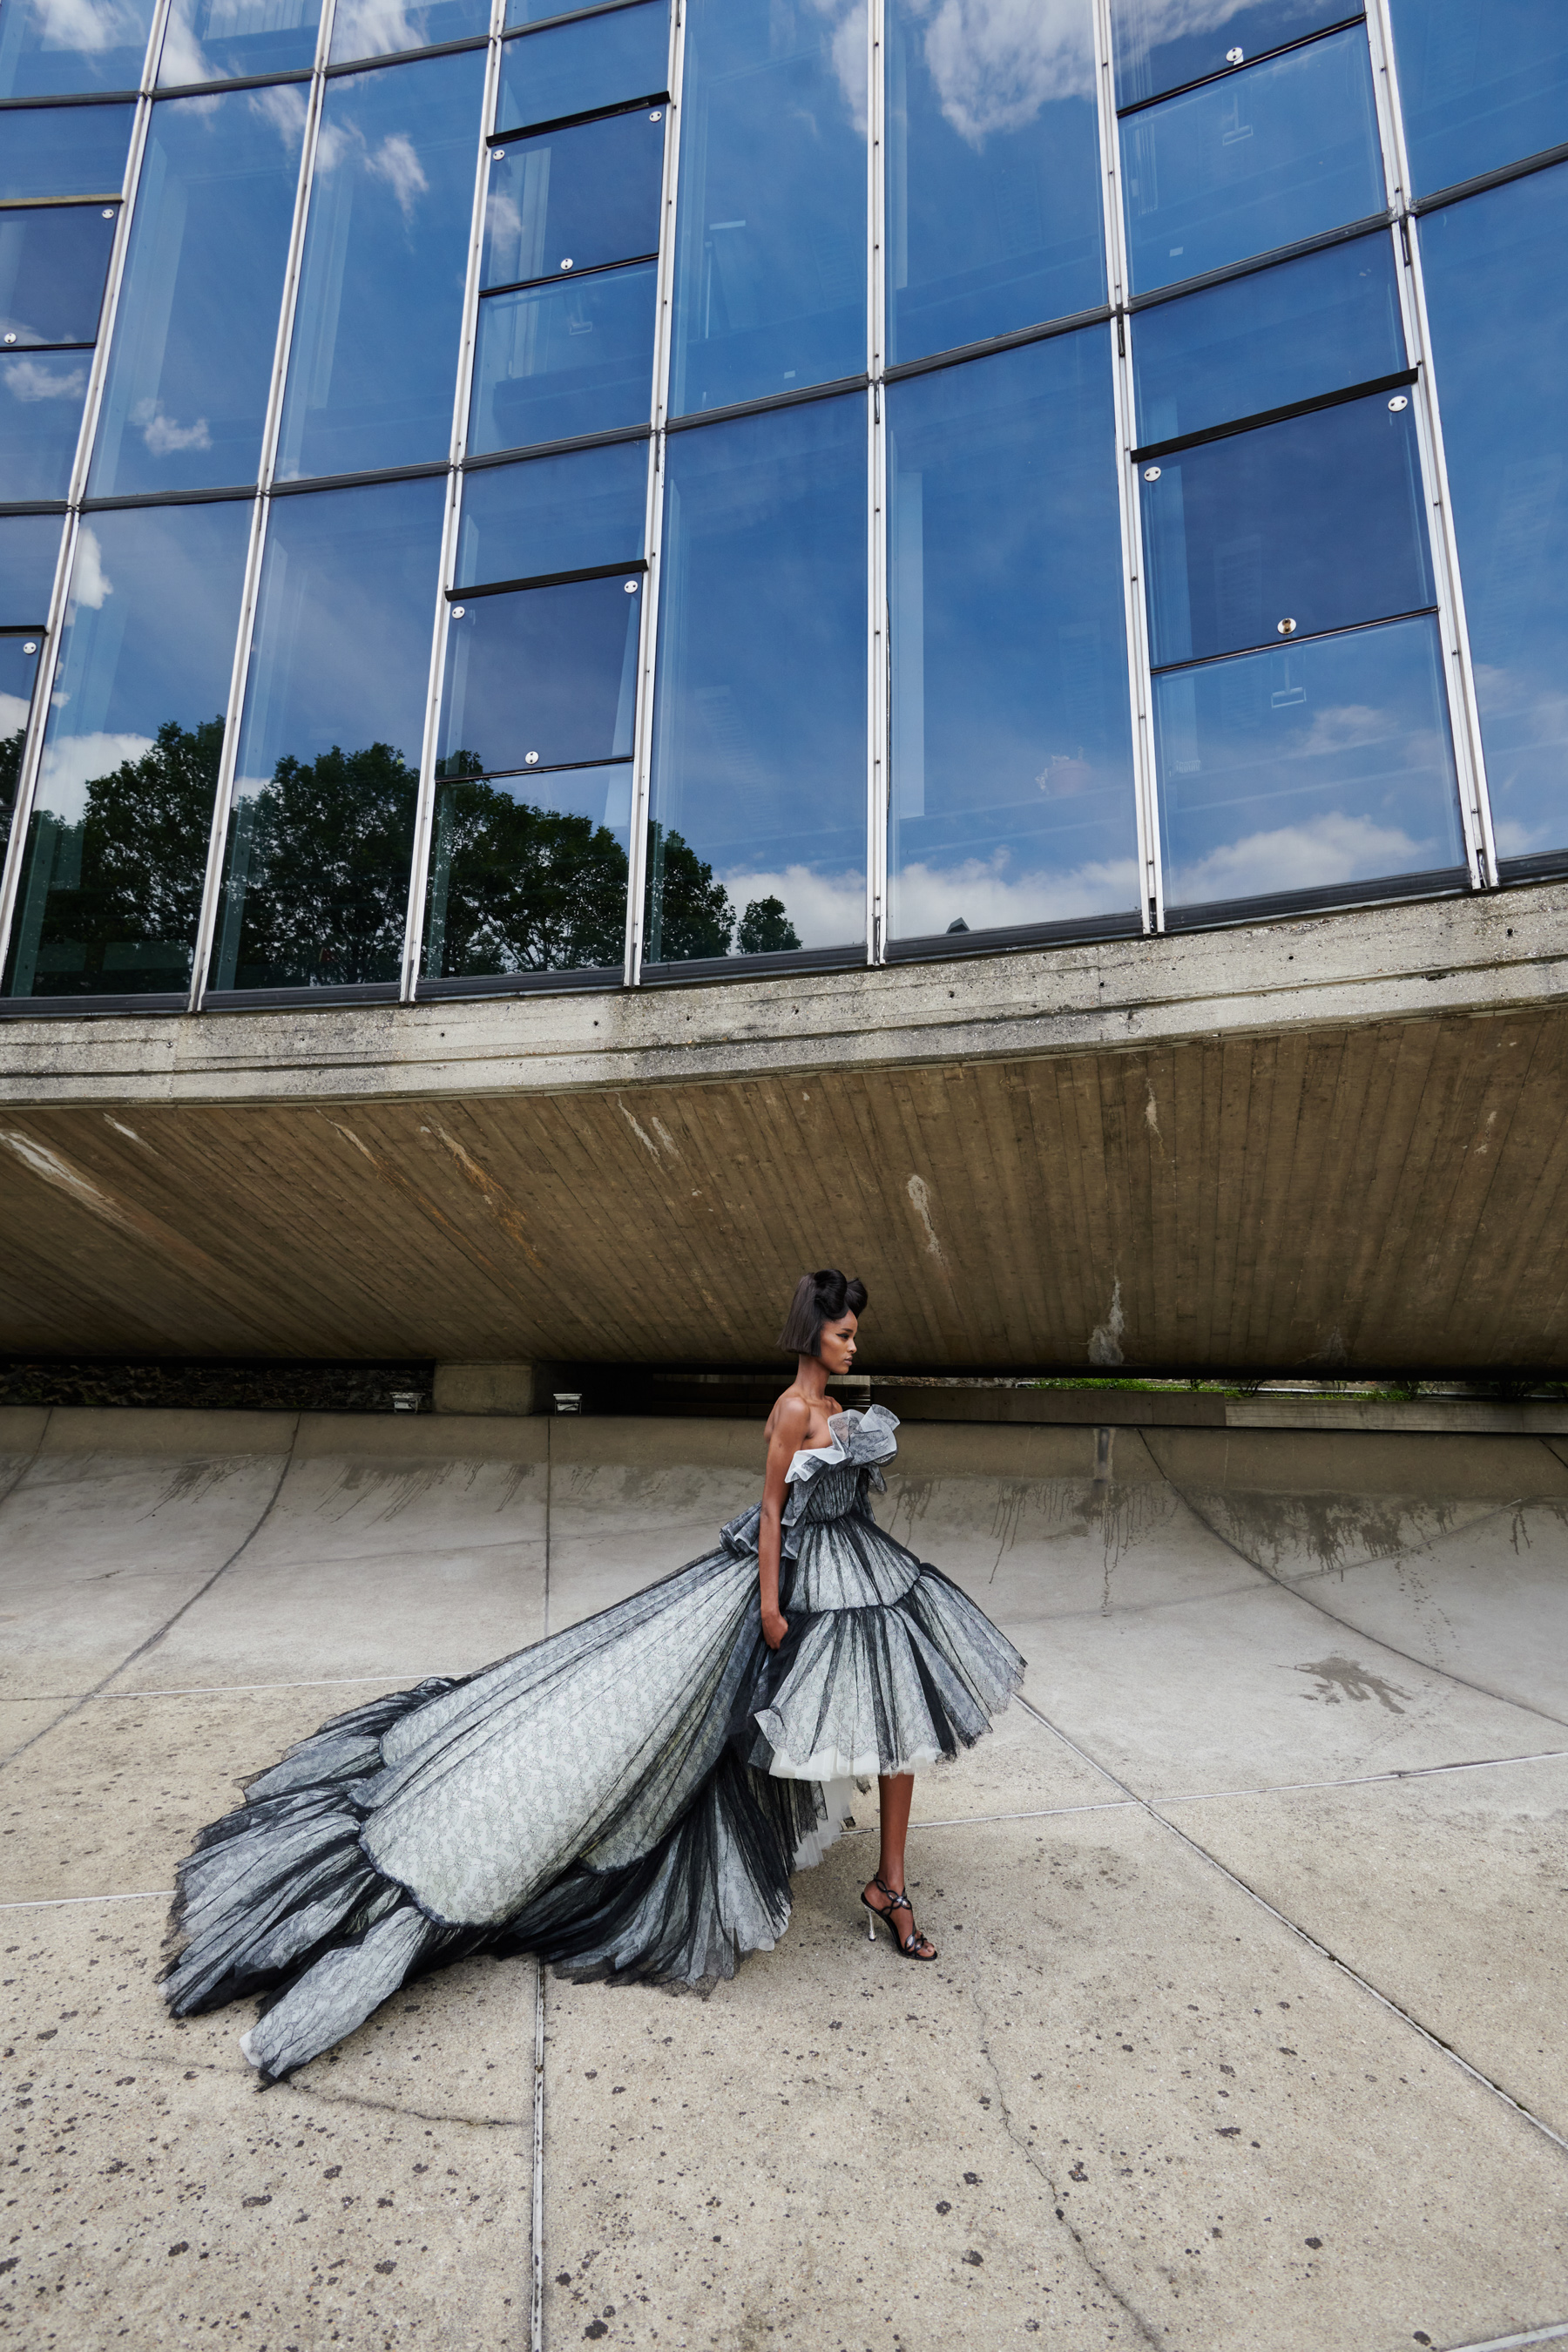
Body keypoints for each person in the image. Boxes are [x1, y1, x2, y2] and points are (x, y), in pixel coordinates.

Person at [162, 1270, 1024, 2080]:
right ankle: (783, 1852)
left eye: (855, 1335)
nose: (852, 1346)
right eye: (843, 1334)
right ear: (813, 1335)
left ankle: (892, 1883)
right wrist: (768, 1606)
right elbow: (770, 1512)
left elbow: (841, 1492)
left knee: (898, 1717)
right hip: (791, 1583)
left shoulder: (839, 1407)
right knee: (700, 1730)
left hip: (862, 1580)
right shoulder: (792, 1410)